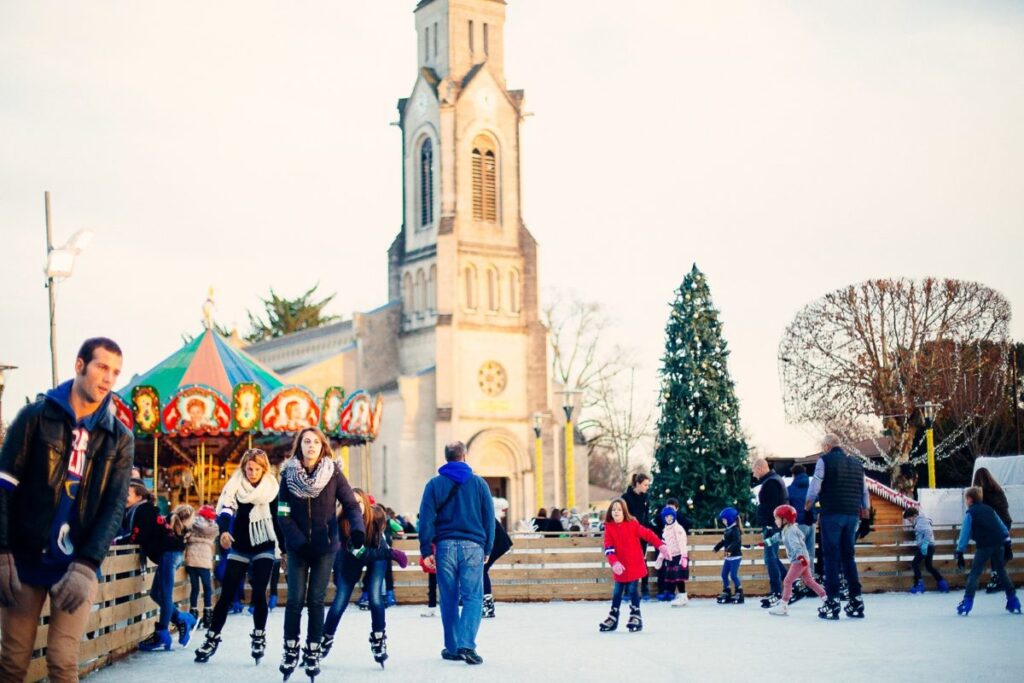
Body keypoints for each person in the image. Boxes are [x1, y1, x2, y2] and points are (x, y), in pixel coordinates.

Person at [0, 337, 134, 682]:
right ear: (79, 365)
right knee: (13, 661)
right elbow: (3, 487)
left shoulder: (119, 437)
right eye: (101, 367)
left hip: (76, 565)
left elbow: (114, 507)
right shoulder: (35, 417)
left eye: (115, 372)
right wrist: (2, 551)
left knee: (63, 661)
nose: (108, 378)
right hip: (25, 557)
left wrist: (87, 565)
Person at [278, 427, 365, 680]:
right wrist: (298, 541)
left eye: (316, 442)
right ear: (300, 446)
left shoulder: (333, 473)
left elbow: (351, 504)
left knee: (316, 600)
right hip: (298, 549)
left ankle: (313, 649)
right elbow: (282, 514)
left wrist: (358, 529)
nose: (311, 446)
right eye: (306, 441)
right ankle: (290, 648)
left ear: (322, 446)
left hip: (325, 547)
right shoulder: (287, 475)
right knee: (294, 599)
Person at [194, 449, 283, 665]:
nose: (252, 473)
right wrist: (224, 531)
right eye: (249, 469)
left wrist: (285, 549)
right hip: (240, 545)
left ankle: (259, 635)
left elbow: (277, 519)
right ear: (244, 468)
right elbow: (226, 511)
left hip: (264, 544)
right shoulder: (234, 486)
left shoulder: (272, 489)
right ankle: (212, 638)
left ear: (264, 469)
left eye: (257, 469)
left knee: (259, 591)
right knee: (226, 593)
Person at [417, 441, 494, 666]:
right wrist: (488, 547)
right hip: (473, 546)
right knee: (473, 597)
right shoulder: (479, 484)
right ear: (464, 455)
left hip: (445, 547)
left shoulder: (434, 484)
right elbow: (489, 518)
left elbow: (426, 519)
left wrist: (425, 549)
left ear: (446, 457)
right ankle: (466, 645)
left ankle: (452, 647)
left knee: (448, 598)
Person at [321, 492, 407, 668]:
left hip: (378, 554)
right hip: (351, 559)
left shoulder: (376, 516)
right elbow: (360, 553)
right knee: (340, 601)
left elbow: (384, 540)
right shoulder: (341, 523)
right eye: (351, 502)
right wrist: (392, 554)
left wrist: (387, 550)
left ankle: (378, 638)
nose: (355, 505)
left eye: (359, 502)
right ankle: (325, 638)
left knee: (375, 597)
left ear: (366, 503)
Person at [804, 436, 869, 620]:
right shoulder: (857, 464)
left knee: (831, 558)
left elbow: (815, 486)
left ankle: (832, 601)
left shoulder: (824, 461)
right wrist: (865, 517)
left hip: (832, 514)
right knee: (848, 557)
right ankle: (856, 599)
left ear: (827, 446)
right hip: (852, 516)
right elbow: (865, 491)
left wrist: (807, 508)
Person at [124, 492, 197, 651]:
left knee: (164, 594)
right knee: (155, 594)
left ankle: (162, 633)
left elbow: (140, 535)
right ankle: (182, 618)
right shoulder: (156, 517)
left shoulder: (149, 513)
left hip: (169, 555)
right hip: (171, 554)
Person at [598, 499, 668, 632]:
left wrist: (660, 545)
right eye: (614, 509)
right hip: (619, 568)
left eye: (619, 509)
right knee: (617, 591)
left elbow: (648, 534)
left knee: (632, 589)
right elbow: (608, 548)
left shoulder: (632, 524)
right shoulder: (609, 528)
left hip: (634, 565)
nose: (616, 512)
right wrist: (614, 562)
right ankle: (613, 616)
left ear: (624, 512)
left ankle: (636, 615)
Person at [954, 487, 1019, 616]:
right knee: (1001, 571)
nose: (966, 501)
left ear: (970, 499)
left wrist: (960, 551)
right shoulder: (990, 510)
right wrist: (1007, 544)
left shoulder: (970, 513)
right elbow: (1002, 527)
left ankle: (967, 601)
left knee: (975, 572)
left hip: (984, 545)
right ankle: (1013, 599)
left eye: (966, 499)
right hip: (999, 543)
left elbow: (965, 533)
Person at [765, 505, 827, 616]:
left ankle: (783, 606)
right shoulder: (786, 530)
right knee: (809, 581)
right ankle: (825, 598)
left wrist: (801, 558)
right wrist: (766, 542)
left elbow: (796, 546)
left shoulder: (790, 532)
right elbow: (777, 537)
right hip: (803, 559)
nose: (775, 521)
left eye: (777, 518)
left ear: (785, 519)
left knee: (787, 581)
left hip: (799, 560)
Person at [752, 458, 788, 608]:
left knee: (770, 557)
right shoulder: (772, 480)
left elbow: (773, 507)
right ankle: (792, 583)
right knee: (772, 557)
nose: (753, 474)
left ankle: (777, 591)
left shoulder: (771, 483)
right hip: (773, 525)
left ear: (760, 468)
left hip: (772, 526)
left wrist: (770, 524)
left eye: (754, 471)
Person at [972, 468, 1013, 593]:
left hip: (993, 525)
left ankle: (996, 578)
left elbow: (981, 511)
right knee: (998, 551)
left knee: (993, 551)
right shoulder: (998, 489)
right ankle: (998, 577)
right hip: (1005, 522)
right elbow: (1005, 506)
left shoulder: (980, 494)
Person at [621, 473, 654, 599]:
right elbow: (623, 516)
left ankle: (644, 589)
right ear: (638, 484)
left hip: (642, 534)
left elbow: (646, 516)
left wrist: (647, 530)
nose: (647, 487)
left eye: (648, 485)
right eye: (645, 485)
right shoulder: (625, 497)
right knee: (628, 561)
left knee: (642, 560)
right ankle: (627, 590)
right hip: (629, 535)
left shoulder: (646, 497)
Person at [185, 504, 218, 630]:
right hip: (204, 561)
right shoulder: (212, 527)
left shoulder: (192, 524)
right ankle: (208, 615)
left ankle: (193, 614)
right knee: (207, 588)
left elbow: (185, 538)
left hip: (191, 560)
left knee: (195, 588)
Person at [903, 508, 948, 594]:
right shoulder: (921, 521)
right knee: (929, 566)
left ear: (915, 515)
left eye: (909, 519)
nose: (909, 521)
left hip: (926, 546)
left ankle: (919, 585)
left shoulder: (921, 521)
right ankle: (942, 584)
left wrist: (924, 544)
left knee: (915, 563)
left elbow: (928, 531)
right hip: (930, 546)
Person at [482, 498, 513, 618]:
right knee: (481, 570)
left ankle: (487, 606)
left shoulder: (478, 511)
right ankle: (487, 604)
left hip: (497, 543)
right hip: (497, 542)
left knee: (482, 570)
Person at [654, 506, 689, 606]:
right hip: (671, 557)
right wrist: (661, 557)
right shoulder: (665, 530)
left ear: (674, 517)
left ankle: (683, 596)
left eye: (671, 516)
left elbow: (682, 542)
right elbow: (665, 545)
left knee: (679, 578)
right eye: (666, 517)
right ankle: (680, 595)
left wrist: (684, 556)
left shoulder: (677, 528)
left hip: (679, 556)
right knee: (674, 578)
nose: (669, 519)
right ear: (664, 518)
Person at [713, 507, 744, 604]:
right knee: (724, 574)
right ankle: (727, 591)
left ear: (730, 519)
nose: (723, 522)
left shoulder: (735, 530)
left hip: (735, 557)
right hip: (728, 557)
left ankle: (739, 592)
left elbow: (736, 542)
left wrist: (729, 549)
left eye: (724, 520)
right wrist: (717, 547)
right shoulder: (727, 530)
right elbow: (723, 541)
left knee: (733, 575)